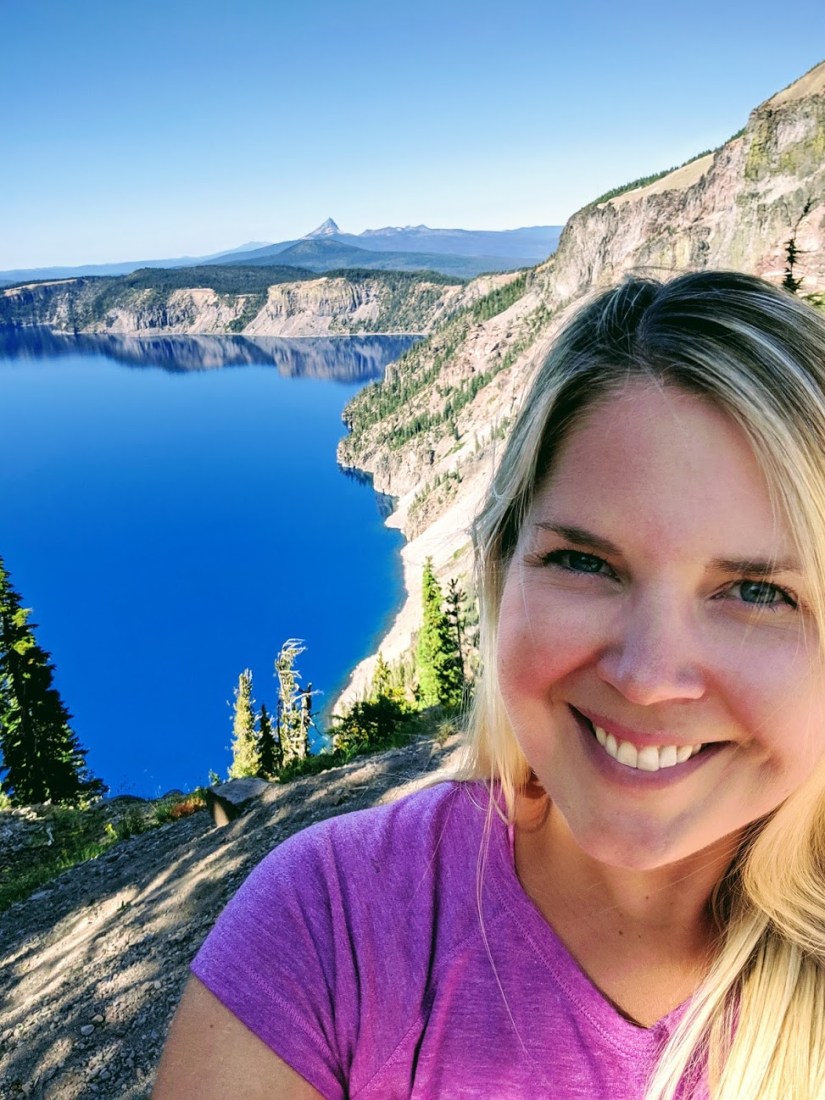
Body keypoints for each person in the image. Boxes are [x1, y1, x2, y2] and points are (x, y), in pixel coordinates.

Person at [154, 271, 825, 1100]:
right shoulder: (332, 925)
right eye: (583, 562)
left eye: (757, 592)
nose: (648, 680)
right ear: (501, 573)